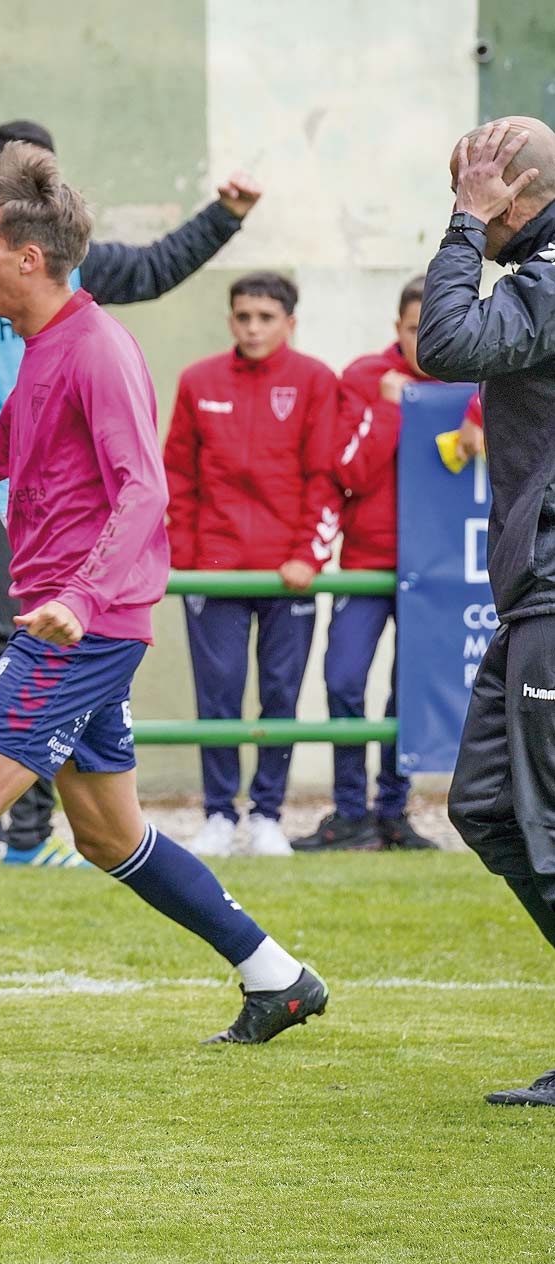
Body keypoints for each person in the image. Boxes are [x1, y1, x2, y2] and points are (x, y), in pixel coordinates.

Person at [0, 142, 325, 1079]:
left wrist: (78, 597)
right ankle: (278, 977)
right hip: (75, 616)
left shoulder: (95, 348)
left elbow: (142, 493)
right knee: (108, 834)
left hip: (83, 625)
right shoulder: (47, 344)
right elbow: (5, 445)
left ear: (28, 257)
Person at [0, 117, 263, 868]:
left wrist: (224, 216)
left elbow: (154, 268)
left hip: (83, 592)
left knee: (5, 795)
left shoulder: (75, 310)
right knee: (97, 819)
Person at [417, 116, 555, 1106]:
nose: (458, 204)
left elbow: (446, 343)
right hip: (533, 593)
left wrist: (463, 228)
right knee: (482, 804)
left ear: (519, 192)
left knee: (543, 822)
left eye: (468, 189)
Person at [164, 272, 341, 857]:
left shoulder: (315, 380)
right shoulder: (198, 380)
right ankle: (219, 813)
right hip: (213, 568)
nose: (253, 327)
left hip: (286, 569)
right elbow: (178, 478)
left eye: (266, 317)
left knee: (281, 692)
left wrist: (305, 556)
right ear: (230, 320)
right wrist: (188, 563)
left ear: (290, 322)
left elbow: (325, 478)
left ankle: (267, 814)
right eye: (243, 316)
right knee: (217, 694)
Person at [296, 275, 469, 852]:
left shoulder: (474, 381)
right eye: (415, 328)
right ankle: (350, 813)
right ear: (397, 328)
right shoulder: (367, 377)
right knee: (343, 678)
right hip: (369, 562)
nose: (425, 339)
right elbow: (348, 472)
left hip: (438, 568)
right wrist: (398, 411)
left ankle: (393, 812)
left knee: (410, 690)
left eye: (434, 326)